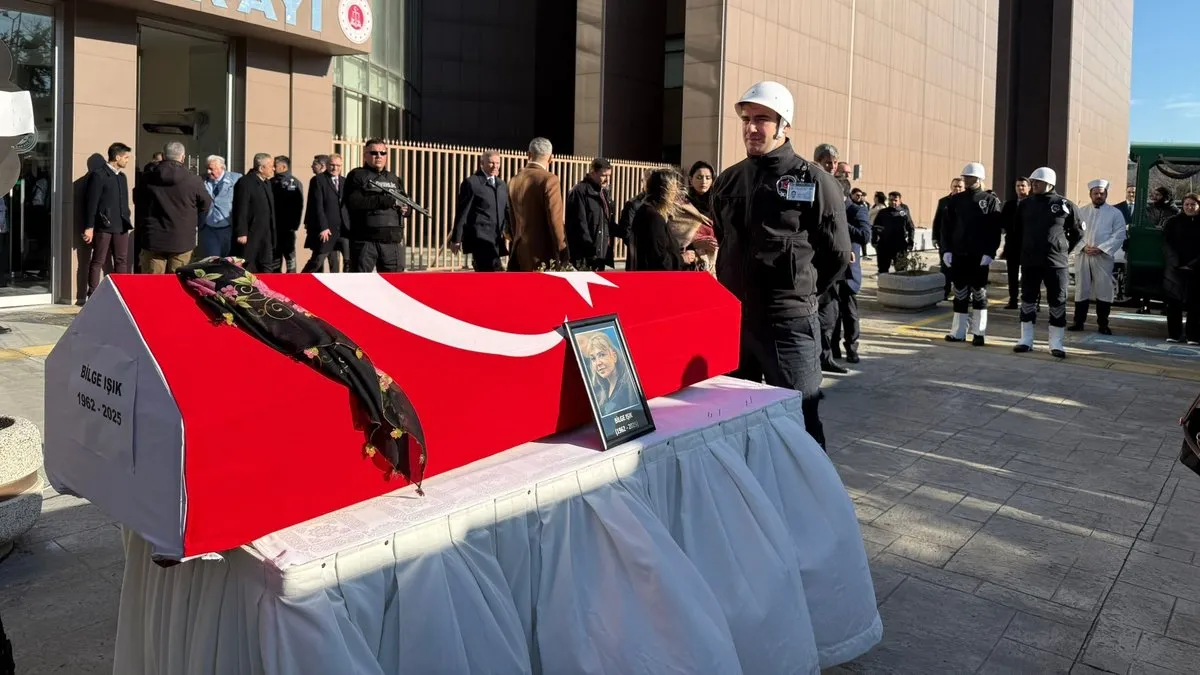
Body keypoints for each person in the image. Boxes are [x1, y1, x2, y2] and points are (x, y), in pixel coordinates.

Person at [712, 80, 851, 450]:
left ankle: (812, 503)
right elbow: (724, 240)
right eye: (746, 119)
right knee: (730, 420)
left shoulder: (815, 182)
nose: (752, 127)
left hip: (789, 326)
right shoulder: (728, 181)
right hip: (736, 323)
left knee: (800, 421)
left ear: (783, 125)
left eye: (762, 119)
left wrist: (800, 293)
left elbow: (837, 254)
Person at [1013, 167, 1082, 358]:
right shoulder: (1025, 204)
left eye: (1038, 182)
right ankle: (1026, 339)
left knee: (1057, 300)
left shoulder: (1064, 204)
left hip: (1055, 262)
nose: (1033, 184)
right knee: (1027, 298)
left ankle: (1056, 343)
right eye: (1032, 181)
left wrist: (1063, 249)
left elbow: (1078, 232)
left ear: (1050, 184)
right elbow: (1017, 231)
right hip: (1030, 261)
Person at [941, 163, 1002, 346]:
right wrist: (946, 250)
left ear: (979, 179)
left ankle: (979, 332)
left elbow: (995, 229)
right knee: (959, 293)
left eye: (969, 177)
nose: (966, 180)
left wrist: (991, 251)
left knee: (979, 293)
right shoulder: (955, 200)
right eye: (965, 177)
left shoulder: (990, 200)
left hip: (979, 255)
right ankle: (958, 332)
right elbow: (946, 228)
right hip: (959, 253)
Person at [138, 142, 212, 274]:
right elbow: (206, 204)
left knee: (152, 284)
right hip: (182, 238)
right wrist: (195, 223)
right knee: (178, 284)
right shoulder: (193, 180)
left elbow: (137, 200)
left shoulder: (147, 178)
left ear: (164, 156)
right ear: (183, 157)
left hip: (153, 237)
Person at [343, 139, 411, 272]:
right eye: (374, 153)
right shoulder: (357, 175)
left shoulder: (394, 178)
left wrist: (406, 209)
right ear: (365, 155)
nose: (379, 156)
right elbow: (353, 202)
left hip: (392, 241)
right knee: (360, 284)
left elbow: (406, 202)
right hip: (365, 240)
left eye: (382, 153)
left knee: (394, 285)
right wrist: (386, 200)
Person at [1069, 179, 1127, 335]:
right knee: (1082, 289)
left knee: (1104, 290)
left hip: (1103, 257)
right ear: (1090, 194)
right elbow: (1074, 233)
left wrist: (1102, 248)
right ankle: (1078, 322)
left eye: (1102, 193)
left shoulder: (1115, 213)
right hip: (1083, 255)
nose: (1099, 196)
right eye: (1096, 193)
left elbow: (1119, 234)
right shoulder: (1081, 212)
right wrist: (1083, 246)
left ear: (1106, 194)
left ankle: (1103, 324)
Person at [507, 137, 567, 271]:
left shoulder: (514, 180)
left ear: (528, 155)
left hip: (519, 250)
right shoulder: (549, 179)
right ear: (551, 158)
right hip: (542, 254)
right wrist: (563, 250)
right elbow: (555, 219)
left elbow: (512, 219)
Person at [82, 142, 133, 297]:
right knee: (98, 260)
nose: (127, 160)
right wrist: (89, 226)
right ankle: (93, 295)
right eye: (125, 157)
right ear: (117, 157)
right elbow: (92, 203)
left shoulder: (122, 177)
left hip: (122, 225)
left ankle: (121, 294)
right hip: (103, 226)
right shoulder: (99, 175)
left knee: (121, 260)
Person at [830, 187, 872, 364]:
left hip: (848, 272)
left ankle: (851, 347)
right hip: (830, 270)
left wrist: (842, 223)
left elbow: (865, 236)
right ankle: (832, 350)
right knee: (831, 314)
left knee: (849, 314)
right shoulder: (828, 208)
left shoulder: (856, 210)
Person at [449, 151, 509, 272]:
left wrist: (512, 231)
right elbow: (462, 212)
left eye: (497, 163)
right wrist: (456, 239)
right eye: (491, 163)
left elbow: (507, 211)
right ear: (482, 163)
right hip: (480, 238)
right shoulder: (472, 183)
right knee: (488, 273)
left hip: (496, 239)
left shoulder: (501, 185)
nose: (495, 166)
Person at [631, 169, 696, 271]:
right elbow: (659, 260)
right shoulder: (653, 217)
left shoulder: (647, 211)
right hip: (654, 281)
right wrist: (682, 259)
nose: (676, 193)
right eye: (674, 188)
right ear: (665, 190)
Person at [301, 154, 351, 273]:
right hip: (327, 229)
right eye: (332, 165)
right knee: (318, 260)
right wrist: (323, 227)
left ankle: (340, 287)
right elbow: (317, 205)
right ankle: (300, 281)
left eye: (338, 165)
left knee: (347, 262)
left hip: (344, 229)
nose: (335, 168)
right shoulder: (319, 180)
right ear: (327, 165)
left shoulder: (345, 181)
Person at [1162, 194, 1200, 344]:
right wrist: (1176, 262)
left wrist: (1192, 265)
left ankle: (1194, 336)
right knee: (1173, 303)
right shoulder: (1173, 222)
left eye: (1193, 205)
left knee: (1196, 304)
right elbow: (1166, 243)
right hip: (1175, 269)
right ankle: (1174, 334)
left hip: (1196, 269)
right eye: (1186, 205)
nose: (1189, 207)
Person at [566, 157, 614, 271]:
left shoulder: (604, 193)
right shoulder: (579, 191)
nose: (607, 179)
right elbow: (579, 224)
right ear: (592, 173)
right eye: (603, 175)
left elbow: (606, 221)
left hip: (600, 254)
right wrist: (590, 250)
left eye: (609, 176)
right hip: (585, 255)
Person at [232, 153, 277, 273]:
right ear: (261, 168)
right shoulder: (245, 183)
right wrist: (241, 232)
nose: (273, 168)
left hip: (266, 234)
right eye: (271, 166)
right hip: (251, 234)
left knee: (267, 265)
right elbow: (240, 208)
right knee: (248, 266)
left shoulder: (267, 182)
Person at [580, 331, 638, 416]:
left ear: (614, 356)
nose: (598, 363)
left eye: (602, 355)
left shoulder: (629, 386)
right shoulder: (601, 392)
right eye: (593, 359)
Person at [200, 155, 240, 259]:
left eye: (211, 169)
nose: (209, 172)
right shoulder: (201, 180)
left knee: (228, 260)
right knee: (213, 261)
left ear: (222, 168)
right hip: (209, 227)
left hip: (228, 226)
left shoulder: (236, 179)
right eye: (207, 168)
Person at [932, 177, 966, 300]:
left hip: (961, 241)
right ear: (951, 187)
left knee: (960, 268)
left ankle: (960, 293)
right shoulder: (943, 201)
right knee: (945, 267)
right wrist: (935, 237)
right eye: (955, 186)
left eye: (960, 186)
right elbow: (937, 220)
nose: (957, 188)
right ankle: (944, 292)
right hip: (945, 241)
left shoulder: (967, 201)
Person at [999, 176, 1031, 308]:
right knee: (1012, 275)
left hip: (1028, 245)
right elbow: (1003, 222)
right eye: (1018, 186)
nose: (1020, 188)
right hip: (1012, 245)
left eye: (1023, 185)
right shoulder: (1010, 204)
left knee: (1029, 275)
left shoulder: (1033, 203)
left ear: (1029, 187)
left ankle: (1030, 300)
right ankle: (1013, 300)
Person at [271, 155, 305, 273]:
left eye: (275, 166)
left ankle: (292, 283)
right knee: (275, 259)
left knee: (290, 258)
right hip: (274, 229)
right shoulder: (271, 182)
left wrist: (294, 225)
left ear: (284, 166)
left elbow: (298, 206)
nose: (273, 169)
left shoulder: (294, 183)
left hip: (287, 228)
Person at [871, 191, 915, 273]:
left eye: (895, 200)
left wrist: (910, 241)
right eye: (891, 200)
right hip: (884, 246)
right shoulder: (882, 213)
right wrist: (874, 240)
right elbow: (875, 227)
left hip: (900, 246)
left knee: (901, 270)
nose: (893, 202)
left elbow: (911, 228)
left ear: (900, 200)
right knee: (883, 270)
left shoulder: (904, 213)